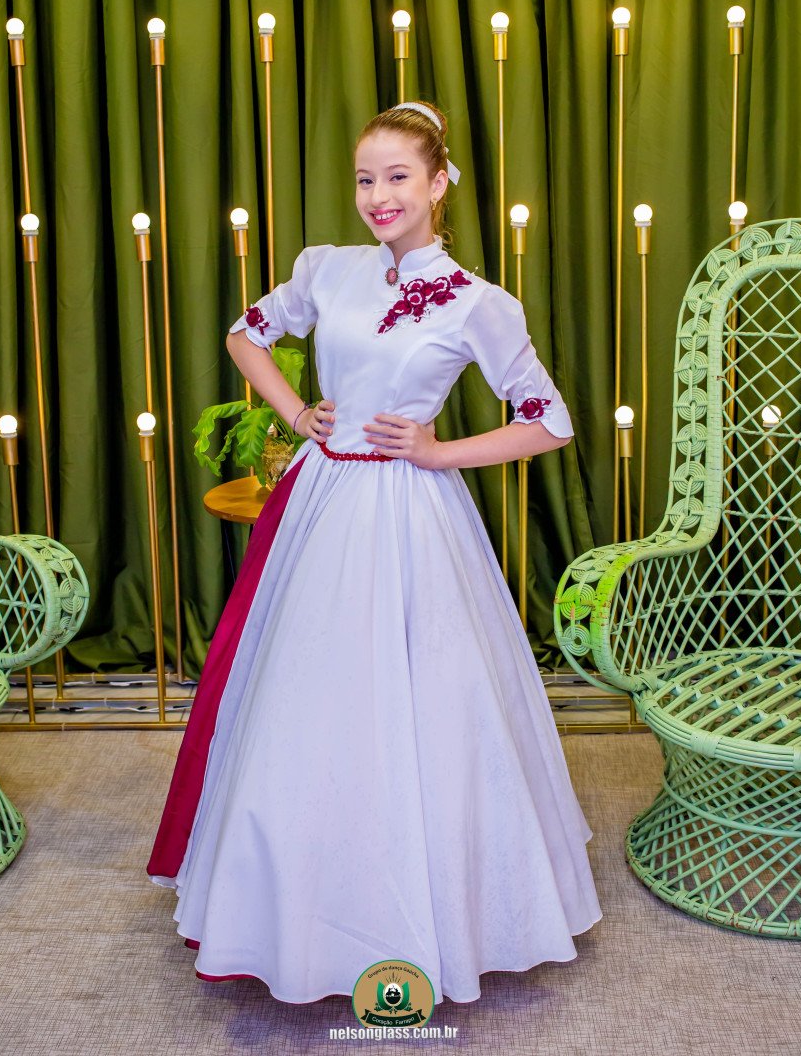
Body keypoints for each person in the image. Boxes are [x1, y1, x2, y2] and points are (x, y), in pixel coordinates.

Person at [147, 100, 602, 1005]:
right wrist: (294, 412)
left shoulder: (478, 302)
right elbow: (245, 334)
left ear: (437, 184)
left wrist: (438, 451)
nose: (378, 195)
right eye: (365, 178)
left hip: (409, 513)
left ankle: (427, 915)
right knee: (302, 695)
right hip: (321, 500)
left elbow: (547, 420)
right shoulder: (327, 267)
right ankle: (292, 909)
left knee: (424, 701)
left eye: (398, 176)